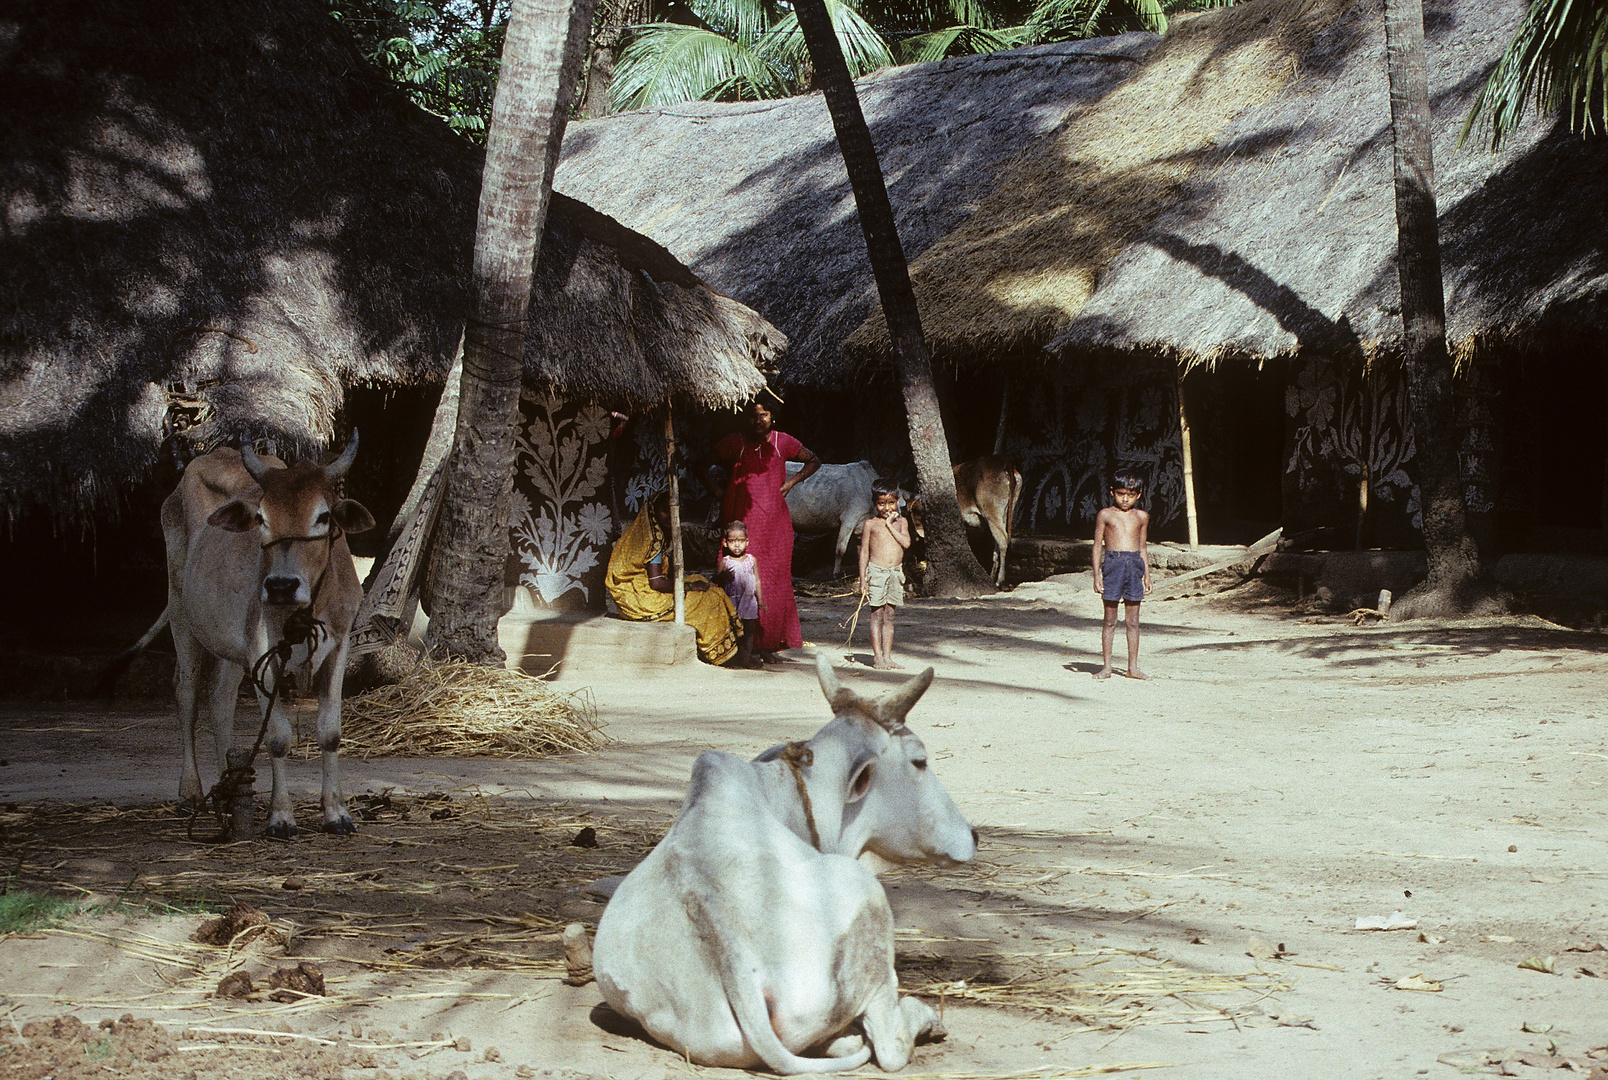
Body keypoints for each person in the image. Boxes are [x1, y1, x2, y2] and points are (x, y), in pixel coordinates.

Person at [710, 394, 819, 660]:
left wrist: (791, 483)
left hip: (775, 526)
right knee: (736, 579)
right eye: (753, 415)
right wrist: (718, 492)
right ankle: (736, 646)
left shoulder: (784, 443)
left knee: (772, 581)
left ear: (773, 418)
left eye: (764, 415)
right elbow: (700, 462)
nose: (758, 421)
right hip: (741, 522)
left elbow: (814, 460)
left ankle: (767, 644)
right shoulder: (735, 443)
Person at [606, 492, 742, 666]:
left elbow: (664, 575)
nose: (669, 516)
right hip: (641, 600)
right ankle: (723, 655)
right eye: (664, 510)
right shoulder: (653, 539)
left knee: (703, 582)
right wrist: (690, 587)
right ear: (653, 511)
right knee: (707, 599)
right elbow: (657, 582)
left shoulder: (646, 533)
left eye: (672, 511)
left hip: (633, 595)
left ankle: (732, 648)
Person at [1092, 469, 1152, 680]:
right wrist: (1097, 574)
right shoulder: (1105, 515)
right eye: (1120, 494)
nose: (1125, 499)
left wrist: (1147, 574)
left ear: (1139, 494)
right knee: (1110, 620)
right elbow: (1097, 545)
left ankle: (1132, 668)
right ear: (1112, 492)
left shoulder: (1142, 517)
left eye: (1131, 494)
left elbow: (1143, 547)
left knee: (1133, 621)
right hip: (1113, 565)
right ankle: (1107, 667)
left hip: (1134, 565)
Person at [858, 478, 911, 670]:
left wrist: (890, 525)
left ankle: (888, 657)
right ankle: (877, 657)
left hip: (895, 573)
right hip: (877, 572)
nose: (886, 507)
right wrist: (863, 579)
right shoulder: (870, 524)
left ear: (898, 501)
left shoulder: (902, 522)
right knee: (877, 615)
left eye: (891, 502)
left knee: (890, 615)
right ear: (874, 503)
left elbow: (906, 544)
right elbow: (864, 551)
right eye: (881, 503)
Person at [714, 520, 764, 669]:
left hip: (749, 601)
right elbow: (715, 579)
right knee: (733, 629)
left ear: (747, 542)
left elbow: (757, 581)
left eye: (741, 541)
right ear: (725, 543)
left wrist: (760, 600)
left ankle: (746, 657)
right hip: (732, 602)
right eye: (732, 541)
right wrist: (723, 576)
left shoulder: (751, 560)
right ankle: (734, 657)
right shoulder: (725, 561)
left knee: (748, 630)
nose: (737, 545)